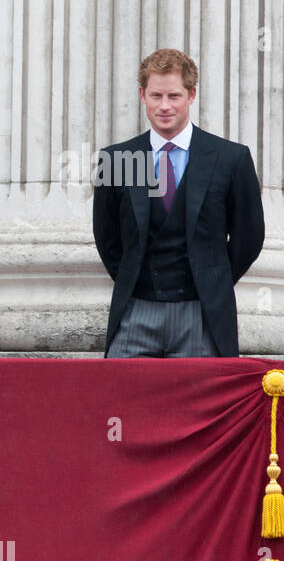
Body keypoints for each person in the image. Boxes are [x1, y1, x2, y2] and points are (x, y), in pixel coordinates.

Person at [93, 49, 265, 358]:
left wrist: (213, 279)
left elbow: (248, 238)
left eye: (174, 96)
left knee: (202, 406)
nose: (164, 106)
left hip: (203, 316)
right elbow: (107, 239)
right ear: (142, 95)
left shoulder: (230, 158)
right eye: (156, 95)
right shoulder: (117, 159)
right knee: (123, 404)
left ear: (191, 95)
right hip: (135, 313)